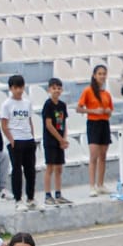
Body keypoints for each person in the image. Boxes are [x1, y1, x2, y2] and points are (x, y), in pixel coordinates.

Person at [1, 74, 38, 211]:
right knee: (17, 170)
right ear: (11, 88)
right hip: (16, 139)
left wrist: (32, 137)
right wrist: (11, 140)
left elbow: (29, 121)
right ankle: (18, 199)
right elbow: (4, 124)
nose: (19, 90)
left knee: (30, 170)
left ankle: (30, 197)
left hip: (28, 139)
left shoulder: (27, 103)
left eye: (21, 87)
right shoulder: (7, 104)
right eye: (16, 87)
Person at [77, 64, 113, 197]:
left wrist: (108, 111)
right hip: (93, 123)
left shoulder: (106, 94)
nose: (102, 76)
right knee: (94, 155)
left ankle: (100, 184)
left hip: (104, 123)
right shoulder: (88, 91)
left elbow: (109, 112)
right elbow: (79, 108)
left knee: (103, 155)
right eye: (100, 74)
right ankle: (92, 185)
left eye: (104, 74)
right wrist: (93, 111)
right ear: (94, 75)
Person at [41, 78, 72, 207]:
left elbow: (64, 124)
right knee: (50, 167)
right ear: (49, 89)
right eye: (54, 88)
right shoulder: (48, 105)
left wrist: (64, 139)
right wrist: (60, 139)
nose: (56, 91)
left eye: (59, 88)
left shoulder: (62, 105)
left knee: (59, 168)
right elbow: (49, 125)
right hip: (50, 140)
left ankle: (58, 194)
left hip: (60, 140)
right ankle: (48, 195)